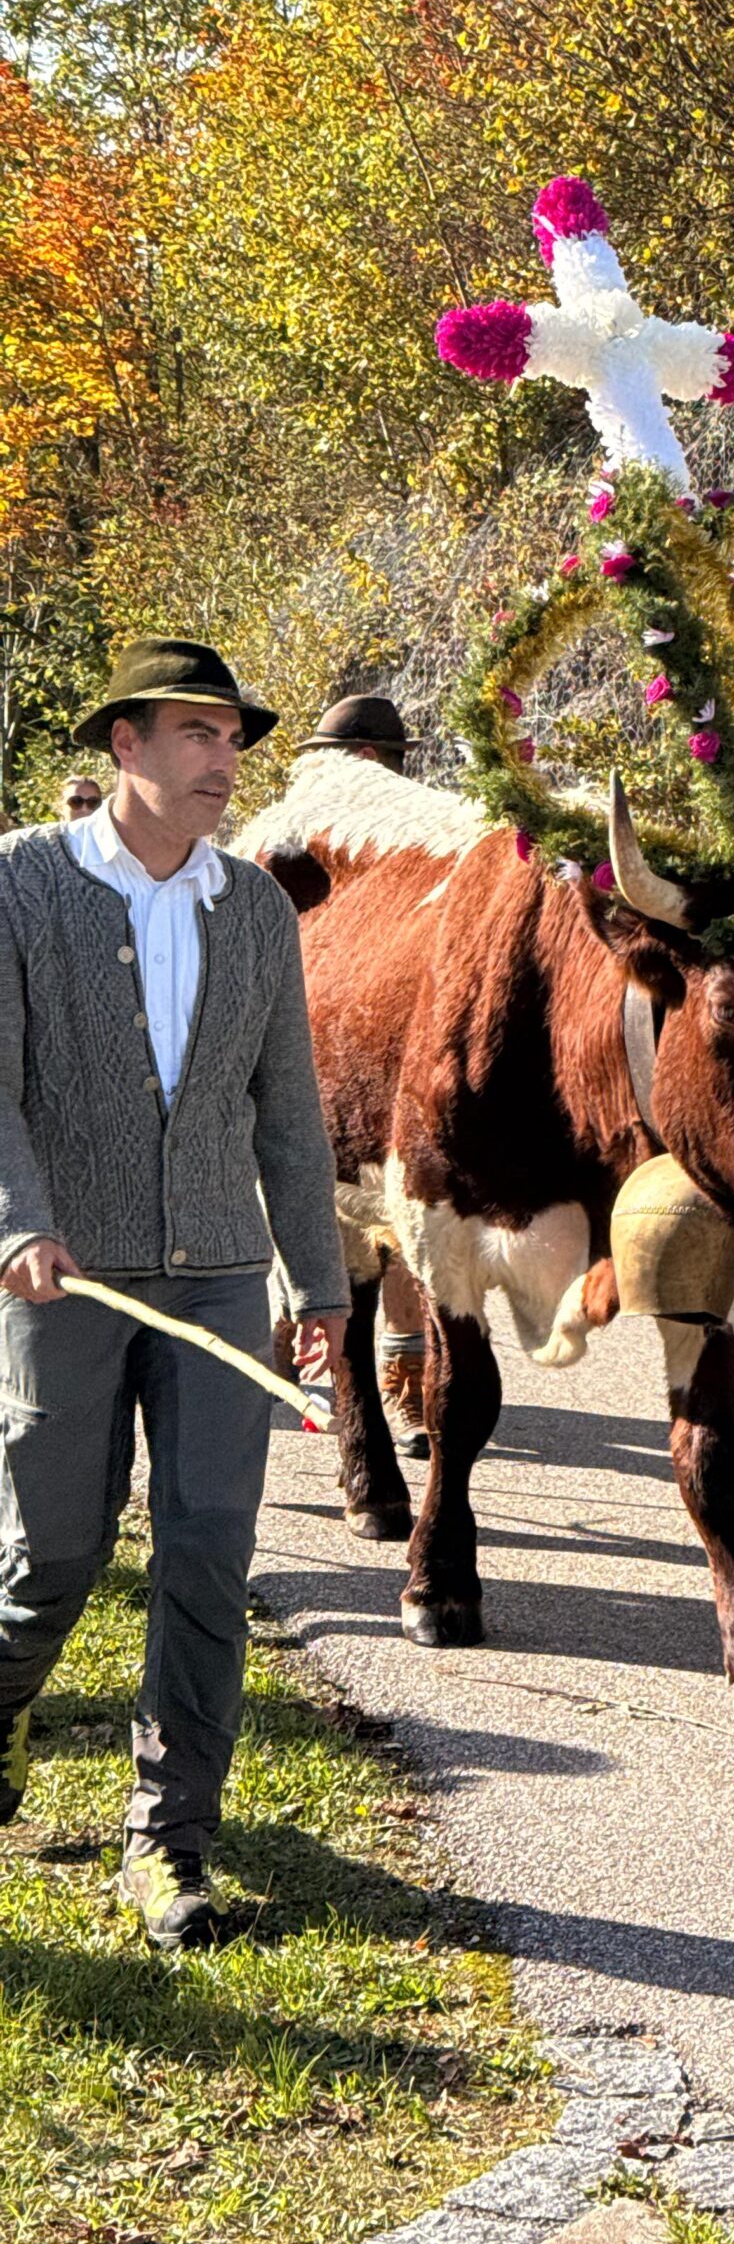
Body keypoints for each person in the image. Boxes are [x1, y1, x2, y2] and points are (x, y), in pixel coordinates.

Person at [0, 639, 348, 1948]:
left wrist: (318, 1282)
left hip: (216, 1278)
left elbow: (289, 1118)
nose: (224, 758)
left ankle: (170, 1841)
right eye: (197, 732)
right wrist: (18, 1224)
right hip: (63, 1277)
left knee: (206, 1552)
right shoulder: (22, 883)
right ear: (125, 743)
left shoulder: (254, 909)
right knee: (53, 1554)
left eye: (234, 736)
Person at [289, 692, 428, 1447]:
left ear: (366, 763)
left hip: (385, 1090)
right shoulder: (294, 856)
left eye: (326, 760)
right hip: (309, 1086)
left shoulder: (418, 857)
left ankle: (404, 1373)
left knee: (401, 1229)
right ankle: (330, 1368)